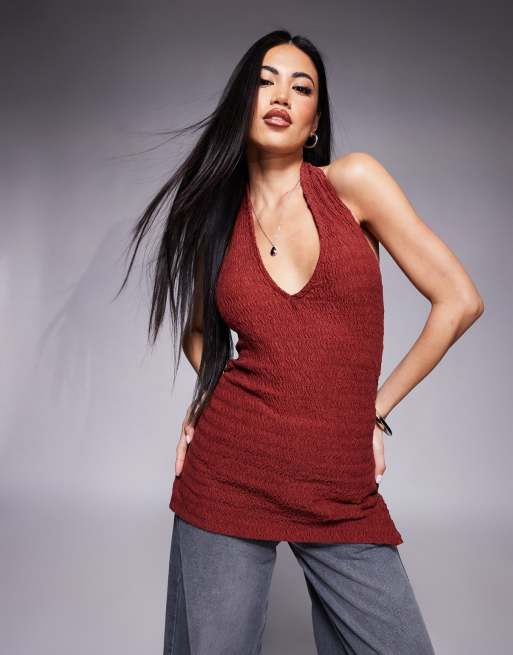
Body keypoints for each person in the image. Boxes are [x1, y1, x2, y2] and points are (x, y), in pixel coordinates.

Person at [117, 30, 484, 655]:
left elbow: (459, 300)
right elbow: (199, 333)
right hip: (228, 475)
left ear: (314, 122)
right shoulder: (214, 220)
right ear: (242, 103)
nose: (281, 96)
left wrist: (373, 412)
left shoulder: (353, 183)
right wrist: (207, 398)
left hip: (338, 485)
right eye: (265, 81)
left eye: (301, 86)